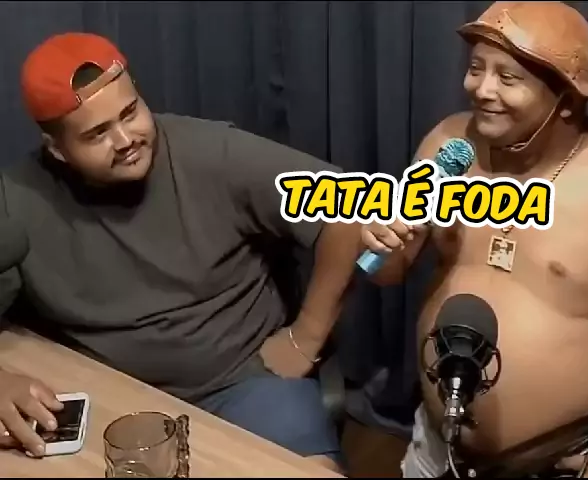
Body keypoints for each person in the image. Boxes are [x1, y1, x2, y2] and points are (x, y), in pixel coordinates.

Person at [360, 2, 588, 478]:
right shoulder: (447, 146)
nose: (481, 89)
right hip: (435, 444)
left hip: (562, 464)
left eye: (507, 78)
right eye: (476, 68)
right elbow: (389, 272)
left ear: (566, 100)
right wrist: (381, 244)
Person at [0, 32, 362, 472]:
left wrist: (305, 337)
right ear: (57, 150)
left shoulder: (211, 151)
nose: (126, 139)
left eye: (130, 112)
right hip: (108, 397)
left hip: (242, 385)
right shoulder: (16, 197)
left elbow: (347, 208)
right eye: (97, 134)